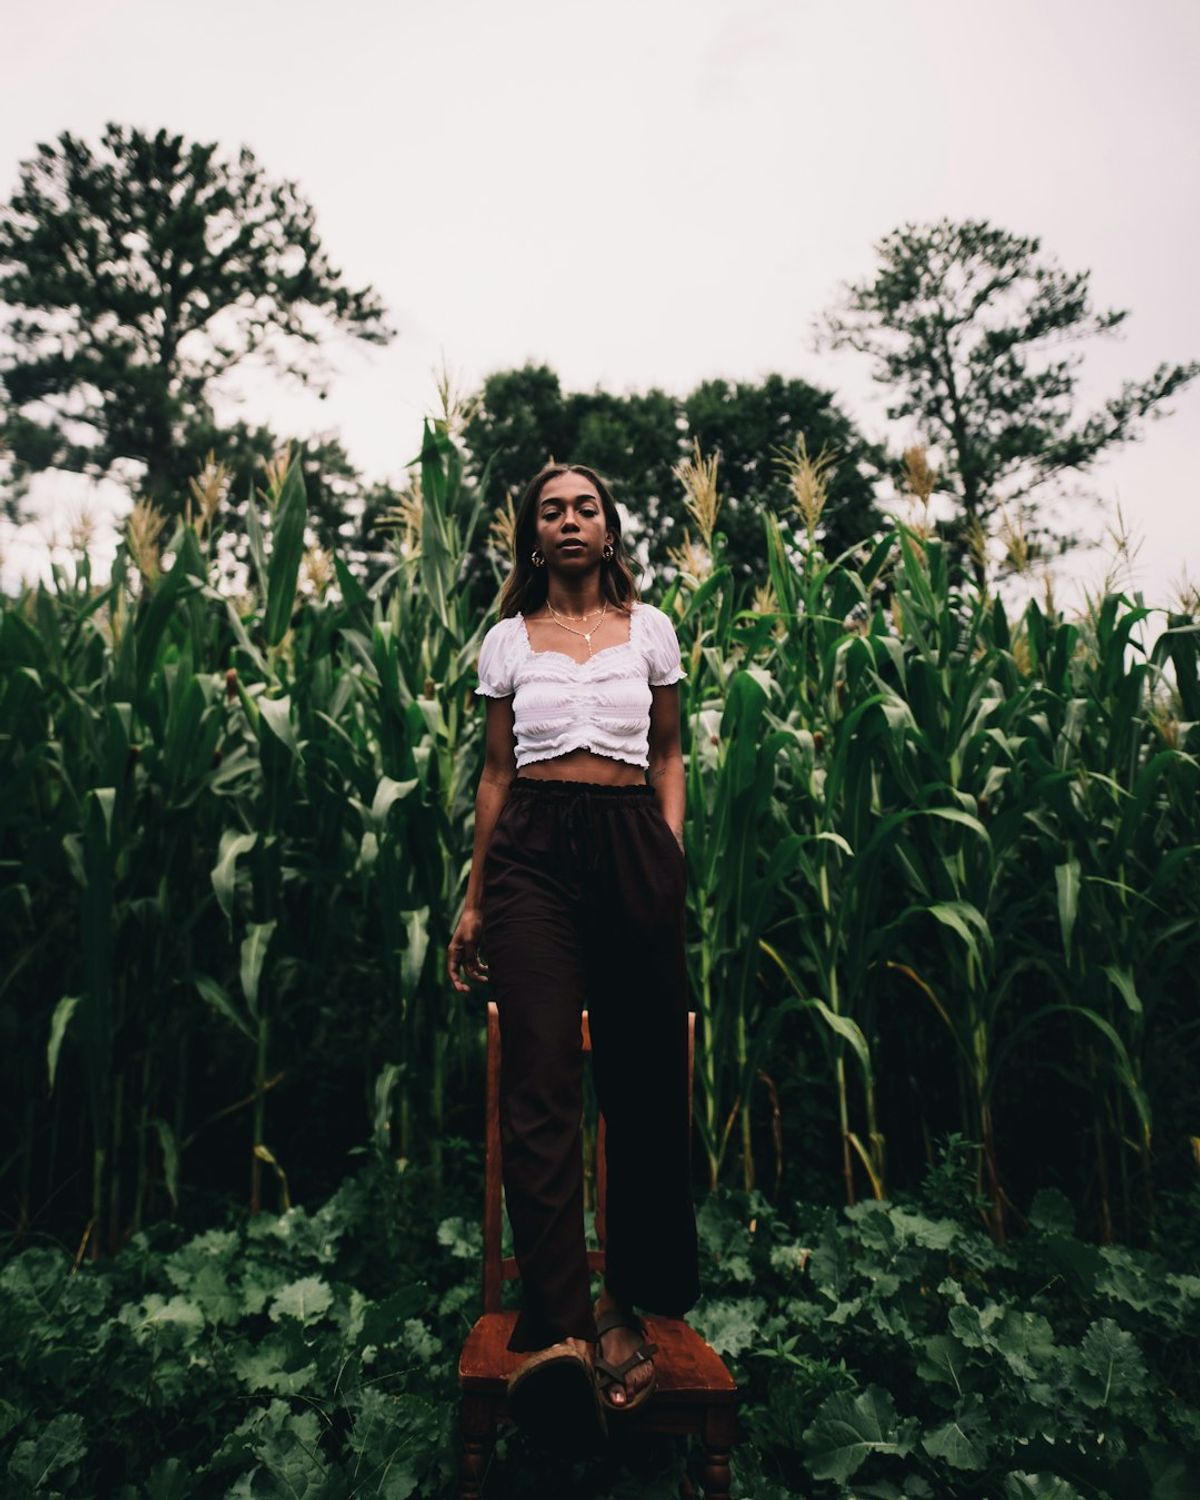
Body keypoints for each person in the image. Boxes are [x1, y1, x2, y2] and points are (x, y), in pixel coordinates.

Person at [448, 461, 701, 1446]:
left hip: (633, 845)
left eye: (584, 507)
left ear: (608, 528)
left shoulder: (652, 631)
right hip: (533, 860)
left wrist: (666, 855)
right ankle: (558, 1326)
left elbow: (670, 753)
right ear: (532, 534)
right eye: (550, 510)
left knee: (644, 1080)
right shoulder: (509, 640)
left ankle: (626, 1303)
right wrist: (477, 901)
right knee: (540, 1077)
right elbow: (495, 774)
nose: (568, 520)